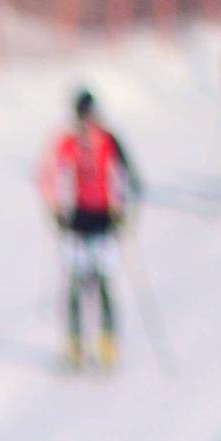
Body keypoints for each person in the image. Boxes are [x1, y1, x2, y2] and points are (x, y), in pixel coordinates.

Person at [38, 90, 140, 370]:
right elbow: (49, 175)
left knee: (104, 283)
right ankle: (75, 342)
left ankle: (108, 340)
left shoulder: (110, 141)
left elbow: (130, 179)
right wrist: (56, 210)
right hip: (78, 221)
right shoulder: (68, 142)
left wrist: (124, 211)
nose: (87, 126)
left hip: (105, 220)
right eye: (83, 119)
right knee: (75, 282)